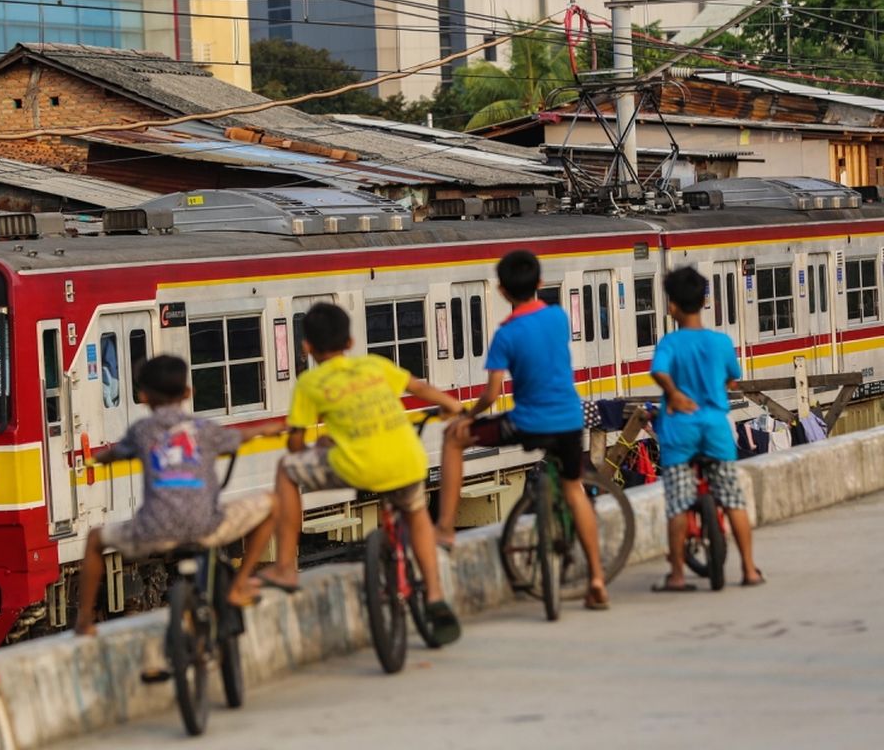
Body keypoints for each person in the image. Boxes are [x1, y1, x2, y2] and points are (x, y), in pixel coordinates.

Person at [257, 303, 464, 645]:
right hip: (406, 461)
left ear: (306, 347)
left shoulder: (309, 383)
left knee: (286, 470)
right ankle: (435, 596)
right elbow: (420, 388)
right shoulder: (375, 365)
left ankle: (284, 567)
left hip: (355, 467)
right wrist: (453, 406)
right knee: (416, 515)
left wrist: (318, 447)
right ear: (351, 341)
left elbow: (295, 445)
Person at [440, 250, 610, 610]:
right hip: (568, 420)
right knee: (574, 491)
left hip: (527, 423)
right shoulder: (559, 317)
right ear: (540, 284)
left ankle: (444, 528)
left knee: (453, 440)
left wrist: (469, 415)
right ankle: (596, 578)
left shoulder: (505, 335)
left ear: (501, 291)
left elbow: (493, 393)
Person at [75, 355, 282, 635]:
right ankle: (240, 583)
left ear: (143, 396)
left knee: (95, 540)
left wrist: (97, 460)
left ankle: (84, 622)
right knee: (273, 503)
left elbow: (114, 453)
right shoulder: (203, 430)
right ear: (188, 393)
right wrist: (268, 429)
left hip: (153, 530)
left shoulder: (142, 431)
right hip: (207, 525)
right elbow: (241, 437)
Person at [650, 266, 765, 591]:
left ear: (672, 305)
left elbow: (659, 372)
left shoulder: (670, 342)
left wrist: (673, 393)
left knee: (678, 504)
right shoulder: (721, 342)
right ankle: (749, 570)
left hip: (680, 430)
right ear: (704, 302)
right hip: (715, 427)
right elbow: (732, 378)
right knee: (732, 499)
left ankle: (676, 576)